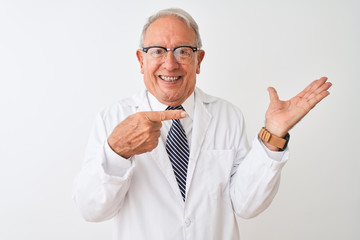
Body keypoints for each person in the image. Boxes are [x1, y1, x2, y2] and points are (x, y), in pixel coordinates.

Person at [73, 8, 332, 240]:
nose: (170, 63)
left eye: (183, 51)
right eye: (157, 51)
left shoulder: (227, 115)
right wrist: (117, 151)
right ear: (142, 61)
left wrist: (274, 134)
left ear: (199, 60)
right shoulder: (112, 118)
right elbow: (92, 210)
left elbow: (247, 205)